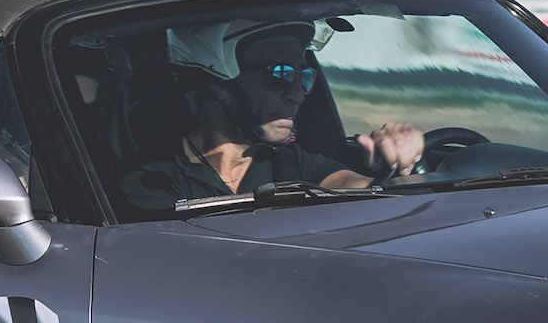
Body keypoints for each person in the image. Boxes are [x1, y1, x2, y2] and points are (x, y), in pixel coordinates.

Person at [120, 19, 424, 213]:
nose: (298, 95)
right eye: (280, 74)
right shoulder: (152, 181)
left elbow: (360, 188)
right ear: (217, 80)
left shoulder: (294, 163)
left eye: (304, 77)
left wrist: (398, 165)